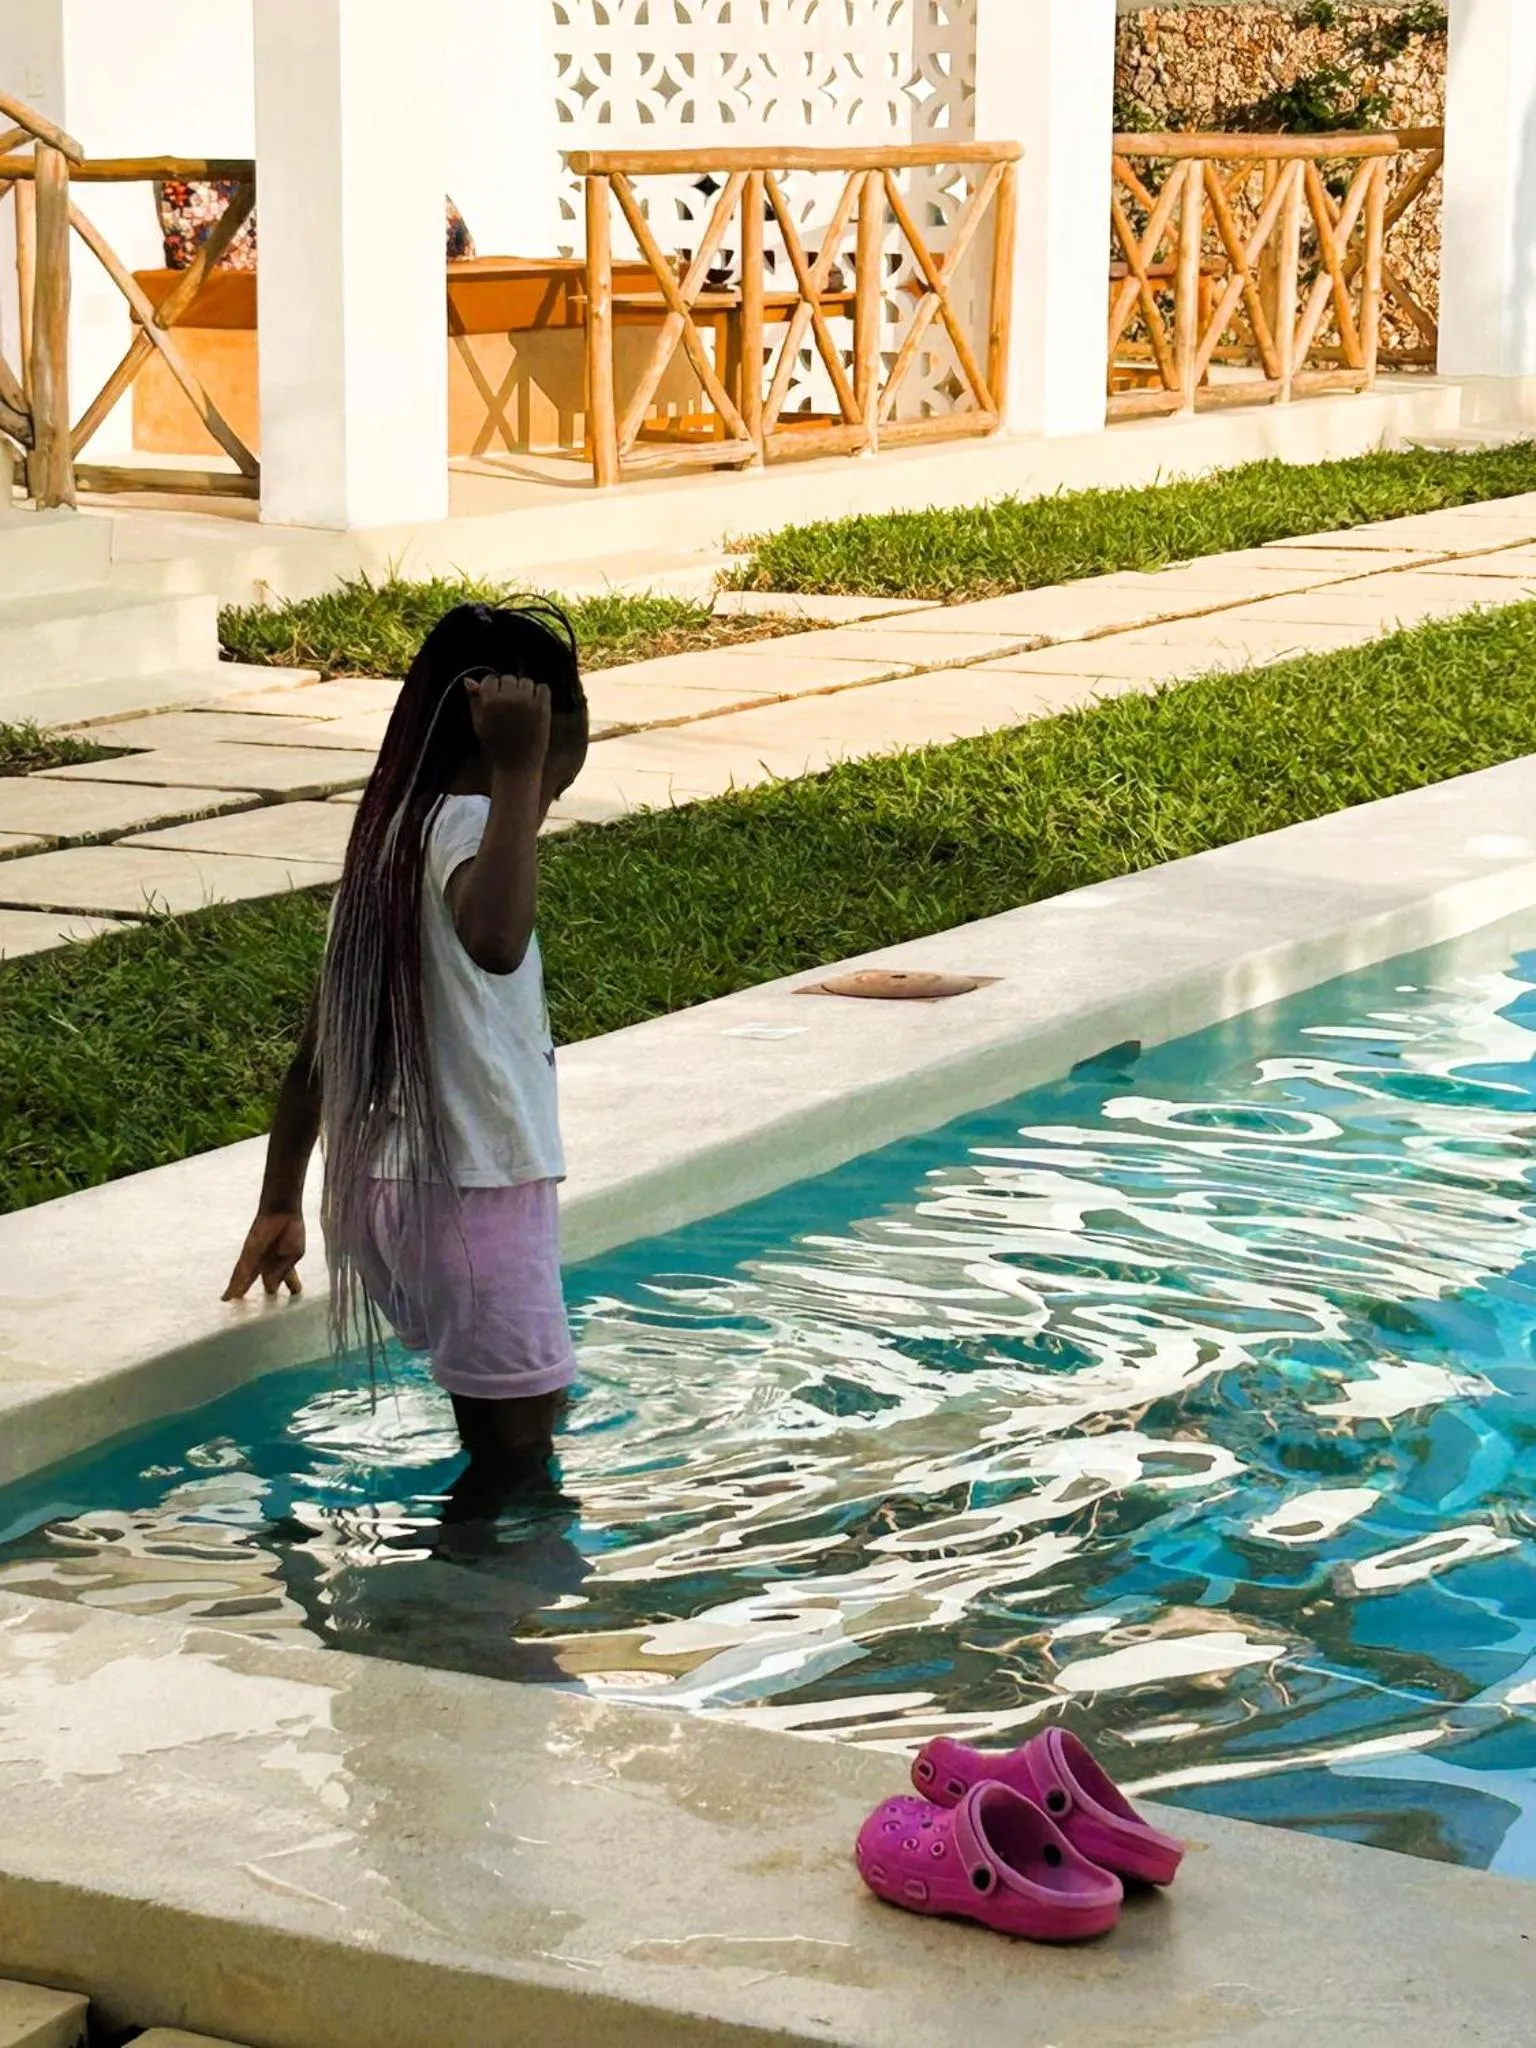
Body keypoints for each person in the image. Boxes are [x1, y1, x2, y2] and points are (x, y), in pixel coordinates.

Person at [224, 600, 589, 1525]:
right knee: (515, 1467)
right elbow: (497, 940)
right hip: (475, 1195)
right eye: (560, 760)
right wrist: (514, 773)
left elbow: (319, 1052)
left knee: (516, 1417)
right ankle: (447, 1628)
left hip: (385, 1196)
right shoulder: (471, 826)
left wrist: (279, 1202)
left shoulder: (389, 839)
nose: (554, 794)